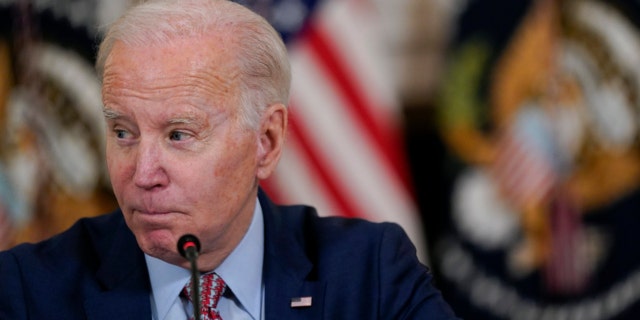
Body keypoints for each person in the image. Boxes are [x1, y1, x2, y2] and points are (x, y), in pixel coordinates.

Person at [0, 0, 459, 319]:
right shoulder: (28, 289)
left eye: (179, 135)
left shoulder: (368, 273)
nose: (141, 174)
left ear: (267, 141)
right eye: (124, 133)